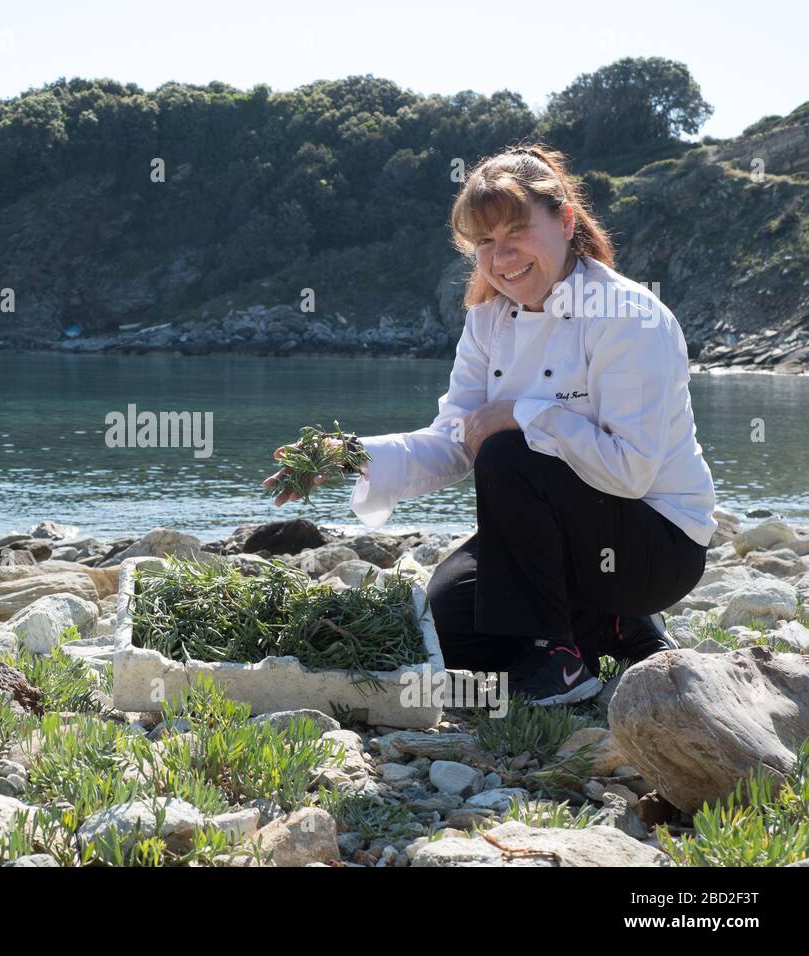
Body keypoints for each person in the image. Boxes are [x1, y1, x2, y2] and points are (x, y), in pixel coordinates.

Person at [263, 144, 716, 706]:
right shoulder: (487, 321)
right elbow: (455, 440)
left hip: (655, 544)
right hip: (578, 544)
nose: (502, 258)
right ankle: (619, 630)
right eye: (485, 244)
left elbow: (631, 470)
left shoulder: (628, 317)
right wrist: (351, 455)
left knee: (508, 452)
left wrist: (524, 416)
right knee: (451, 622)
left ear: (565, 221)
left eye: (516, 234)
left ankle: (561, 658)